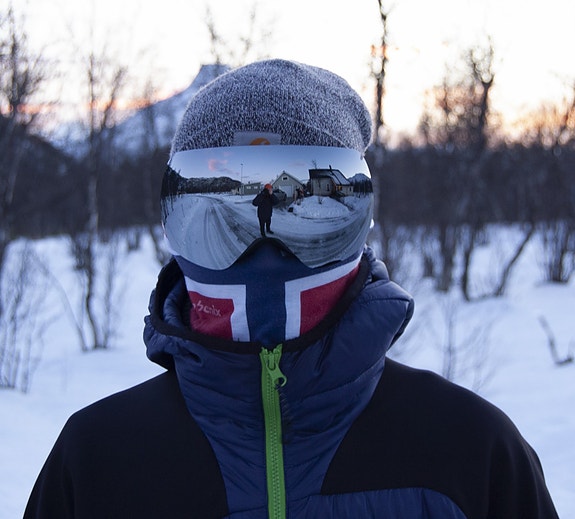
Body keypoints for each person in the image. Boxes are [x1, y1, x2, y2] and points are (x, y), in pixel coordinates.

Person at [24, 59, 559, 519]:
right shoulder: (95, 461)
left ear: (362, 220)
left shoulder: (472, 453)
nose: (265, 255)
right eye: (213, 207)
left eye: (318, 218)